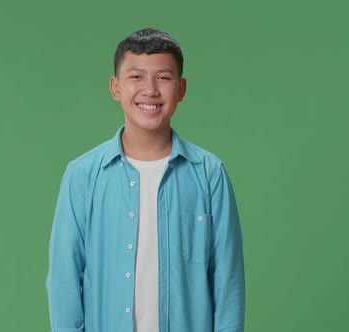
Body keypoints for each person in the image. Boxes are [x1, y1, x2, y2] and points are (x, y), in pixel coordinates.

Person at [47, 28, 245, 332]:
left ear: (181, 89)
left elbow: (228, 282)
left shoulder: (209, 174)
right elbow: (64, 281)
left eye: (163, 78)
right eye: (136, 77)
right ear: (115, 87)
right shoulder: (82, 176)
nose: (150, 90)